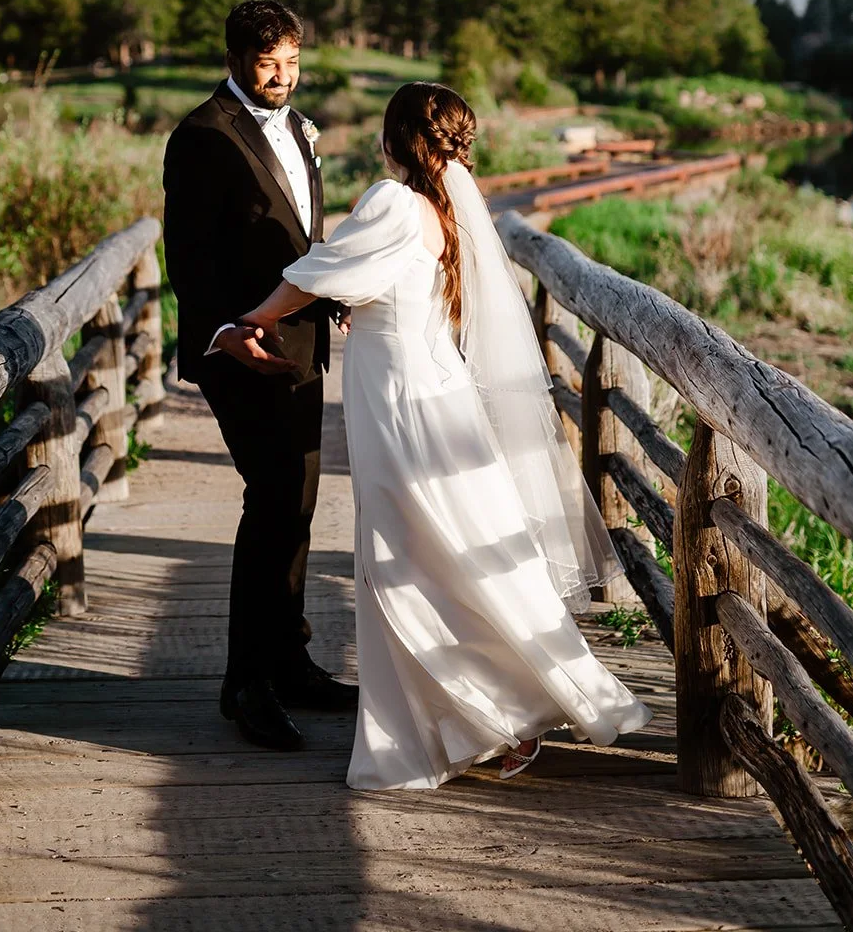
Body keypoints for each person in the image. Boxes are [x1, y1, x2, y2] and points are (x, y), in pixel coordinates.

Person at [240, 80, 652, 791]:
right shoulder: (445, 208)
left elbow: (318, 274)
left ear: (396, 138)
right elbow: (382, 282)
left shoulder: (393, 200)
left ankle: (483, 718)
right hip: (434, 389)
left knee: (407, 550)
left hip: (399, 401)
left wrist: (250, 320)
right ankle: (498, 709)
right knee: (453, 546)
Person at [162, 0, 358, 754]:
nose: (283, 78)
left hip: (300, 342)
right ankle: (245, 684)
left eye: (293, 64)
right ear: (236, 58)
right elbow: (190, 255)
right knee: (272, 496)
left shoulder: (299, 128)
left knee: (298, 501)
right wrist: (227, 329)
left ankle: (289, 660)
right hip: (238, 345)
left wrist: (335, 294)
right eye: (269, 64)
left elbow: (301, 234)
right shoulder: (201, 136)